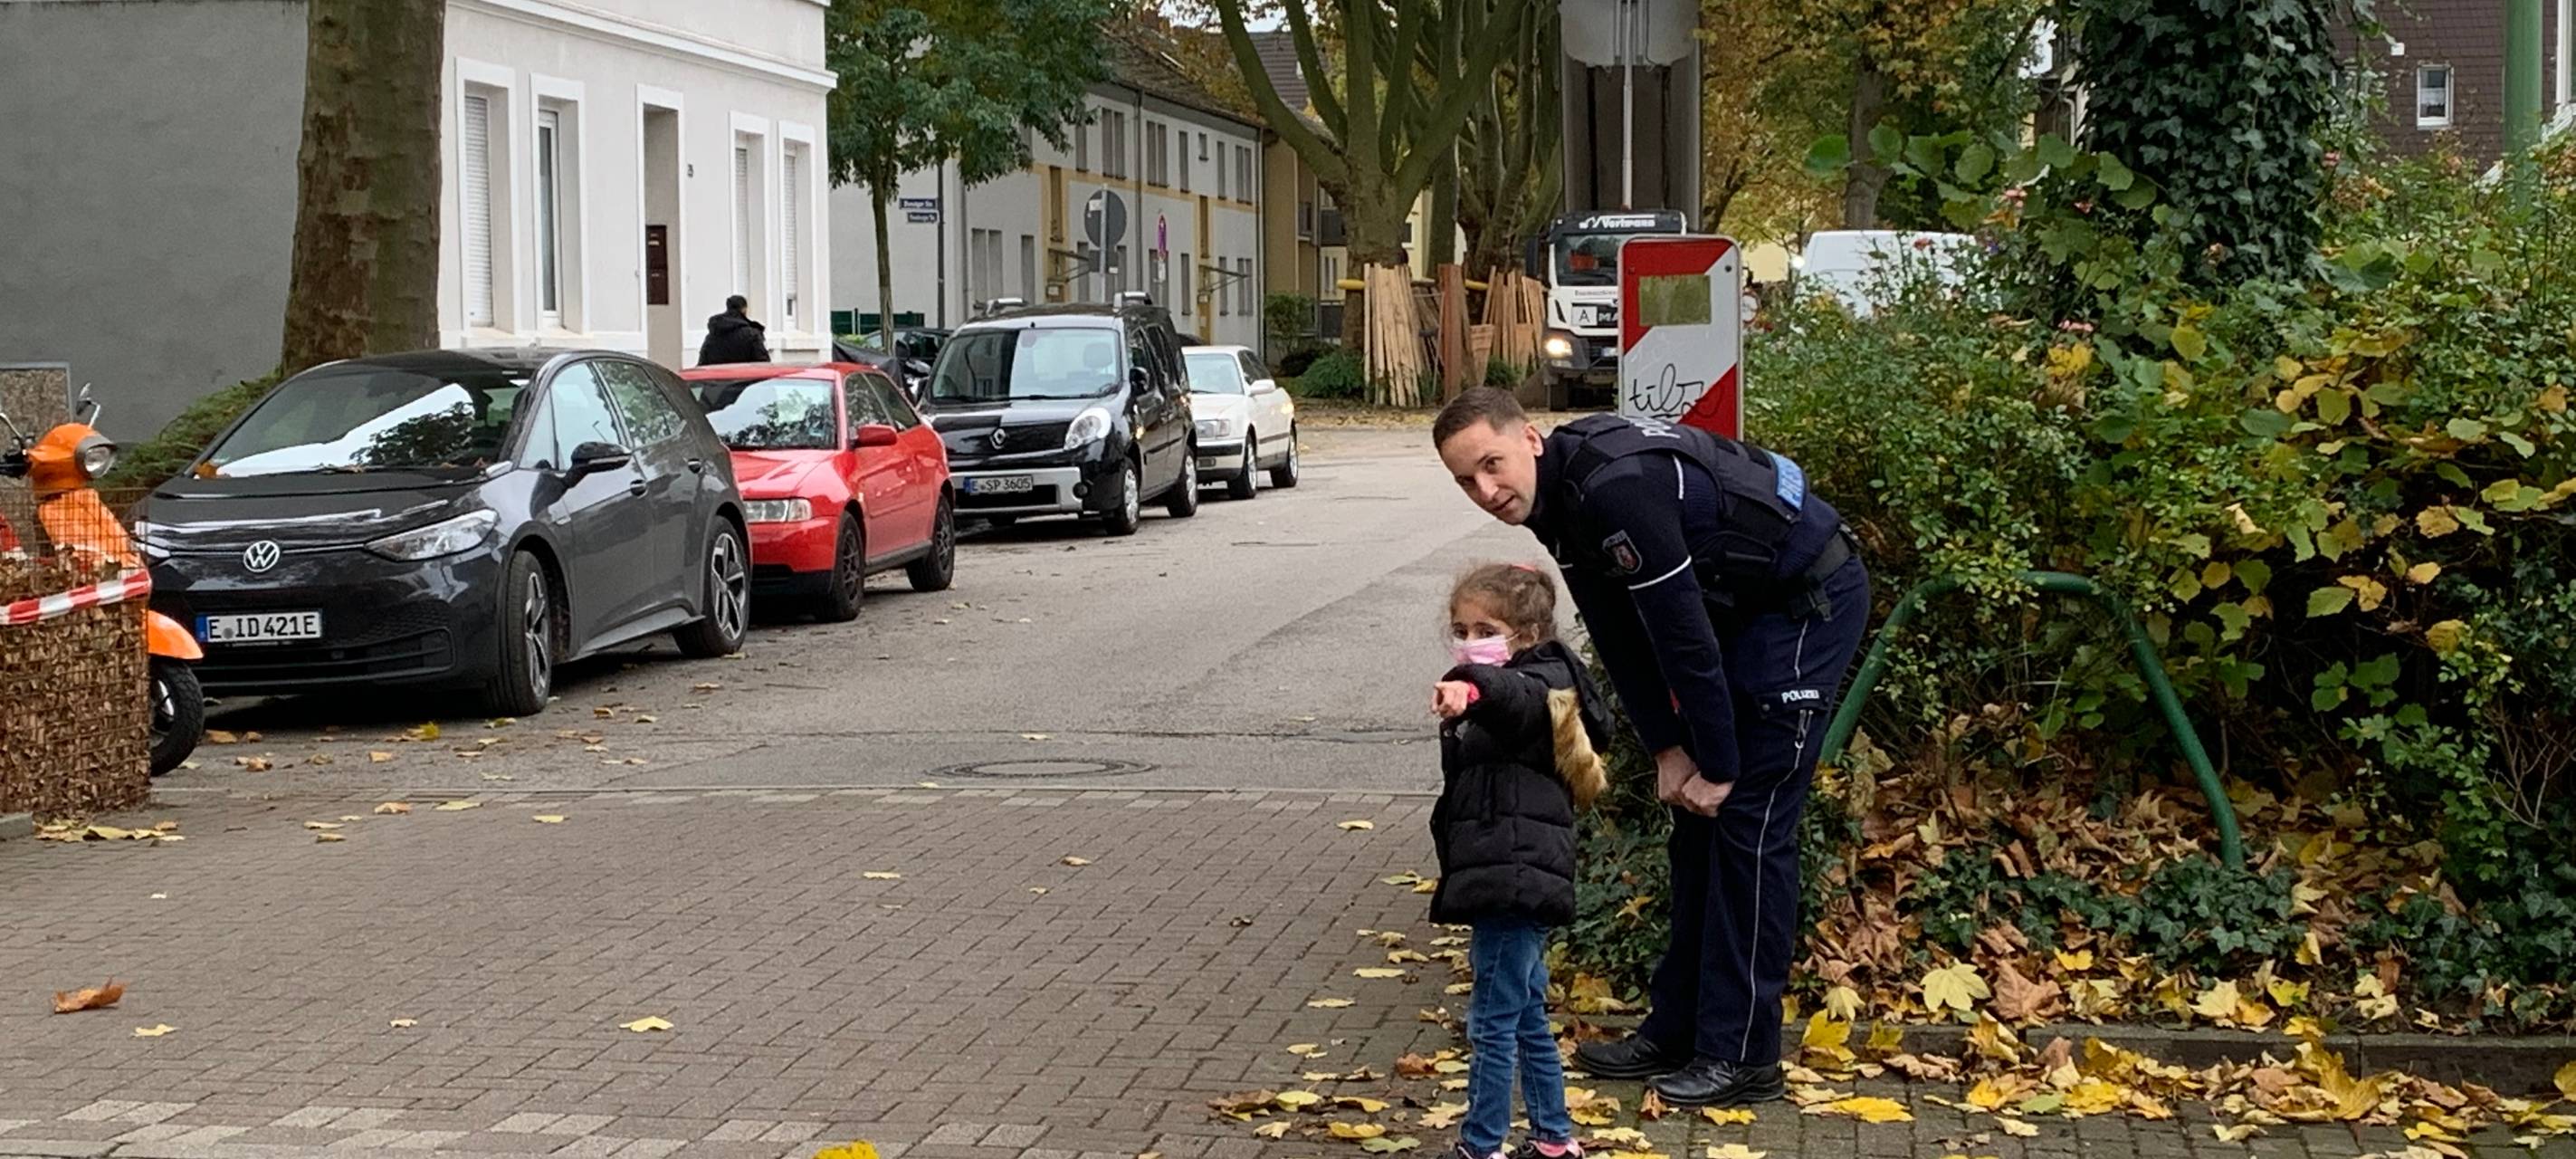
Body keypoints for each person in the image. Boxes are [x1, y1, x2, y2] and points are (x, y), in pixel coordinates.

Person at [1430, 388, 1872, 1109]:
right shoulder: (1560, 500)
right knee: (1695, 828)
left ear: (1530, 439)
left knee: (1748, 826)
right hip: (1740, 610)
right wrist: (1670, 749)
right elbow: (1619, 633)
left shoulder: (1617, 488)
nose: (1486, 491)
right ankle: (1677, 1029)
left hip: (1804, 604)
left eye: (1492, 464)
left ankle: (1744, 1057)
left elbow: (1681, 639)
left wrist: (1720, 766)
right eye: (1465, 480)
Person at [1428, 562, 1609, 1159]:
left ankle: (1481, 1144)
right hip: (1507, 872)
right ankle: (1555, 1139)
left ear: (1526, 632)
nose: (1471, 638)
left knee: (1492, 1020)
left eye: (1486, 627)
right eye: (1461, 627)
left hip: (1514, 877)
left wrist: (1470, 686)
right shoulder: (1533, 682)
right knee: (1526, 1014)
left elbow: (1514, 697)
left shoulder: (1543, 684)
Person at [698, 295, 771, 365]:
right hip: (745, 377)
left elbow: (702, 365)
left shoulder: (712, 336)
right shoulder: (752, 334)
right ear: (744, 309)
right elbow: (763, 363)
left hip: (717, 377)